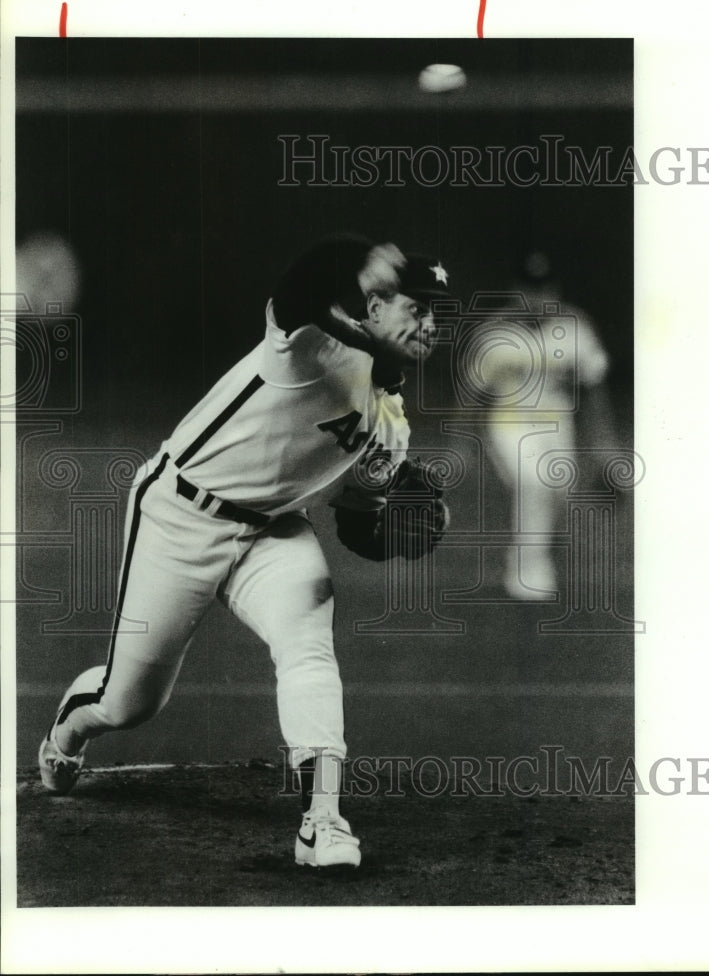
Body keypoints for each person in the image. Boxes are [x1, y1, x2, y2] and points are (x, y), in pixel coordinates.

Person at [37, 235, 450, 869]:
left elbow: (357, 524)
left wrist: (395, 531)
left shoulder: (392, 427)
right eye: (414, 306)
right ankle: (69, 729)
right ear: (372, 304)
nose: (428, 322)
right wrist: (355, 253)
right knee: (130, 703)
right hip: (179, 514)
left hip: (272, 533)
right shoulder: (316, 346)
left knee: (309, 636)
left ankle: (324, 820)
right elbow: (297, 289)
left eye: (436, 312)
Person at [481, 251, 612, 600]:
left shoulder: (574, 328)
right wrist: (466, 441)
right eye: (528, 288)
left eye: (543, 288)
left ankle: (529, 557)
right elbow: (473, 392)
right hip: (509, 425)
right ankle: (528, 576)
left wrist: (604, 448)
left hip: (557, 427)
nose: (536, 297)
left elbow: (594, 388)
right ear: (514, 290)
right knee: (534, 483)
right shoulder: (496, 332)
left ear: (554, 290)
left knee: (557, 495)